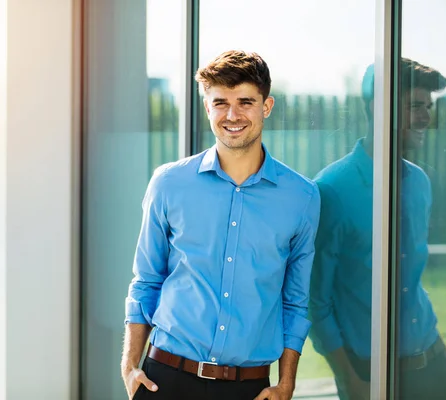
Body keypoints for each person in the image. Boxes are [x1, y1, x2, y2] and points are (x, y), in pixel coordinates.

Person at [121, 50, 321, 400]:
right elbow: (146, 280)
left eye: (246, 101)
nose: (232, 115)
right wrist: (130, 365)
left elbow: (295, 300)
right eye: (220, 102)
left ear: (267, 106)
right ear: (207, 107)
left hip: (249, 388)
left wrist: (286, 382)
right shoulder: (169, 183)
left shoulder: (301, 197)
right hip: (164, 379)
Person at [308, 58, 446, 400]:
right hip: (371, 376)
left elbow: (410, 283)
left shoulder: (419, 183)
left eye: (428, 106)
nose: (426, 117)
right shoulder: (332, 191)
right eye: (415, 106)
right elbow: (316, 301)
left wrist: (442, 357)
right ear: (380, 108)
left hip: (434, 368)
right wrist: (349, 379)